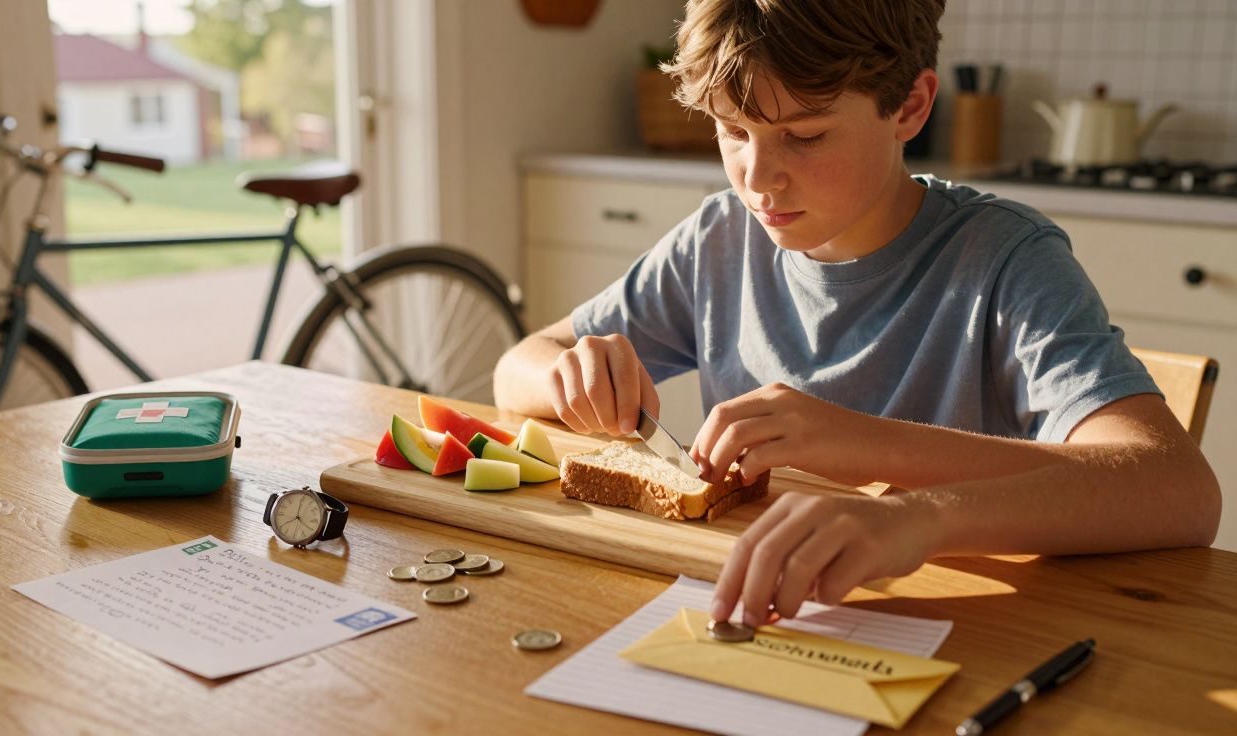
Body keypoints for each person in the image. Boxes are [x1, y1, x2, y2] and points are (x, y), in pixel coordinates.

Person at [493, 0, 1220, 629]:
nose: (757, 176)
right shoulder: (717, 241)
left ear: (909, 105)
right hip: (760, 617)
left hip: (963, 633)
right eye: (732, 130)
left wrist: (909, 504)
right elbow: (515, 368)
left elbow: (1176, 489)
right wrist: (568, 370)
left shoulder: (1004, 258)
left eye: (805, 135)